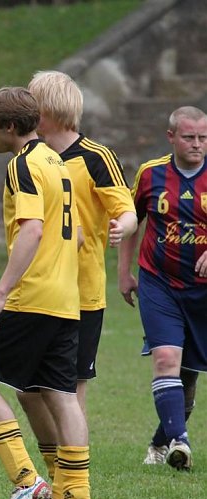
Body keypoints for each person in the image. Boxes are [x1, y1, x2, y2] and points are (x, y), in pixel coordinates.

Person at [0, 87, 94, 499]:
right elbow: (70, 235)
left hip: (31, 297)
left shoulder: (23, 165)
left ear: (11, 128)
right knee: (61, 394)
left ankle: (26, 482)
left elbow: (33, 230)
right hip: (65, 299)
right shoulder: (57, 161)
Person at [19, 71, 137, 499]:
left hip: (80, 296)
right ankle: (57, 481)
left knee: (68, 392)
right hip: (36, 291)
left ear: (45, 109)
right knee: (27, 390)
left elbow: (125, 211)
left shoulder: (94, 156)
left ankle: (72, 495)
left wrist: (120, 228)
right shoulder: (31, 157)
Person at [118, 106, 207, 471]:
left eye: (203, 138)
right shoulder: (151, 173)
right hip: (159, 283)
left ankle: (160, 441)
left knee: (187, 374)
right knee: (167, 360)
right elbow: (130, 221)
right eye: (189, 137)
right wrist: (124, 273)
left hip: (202, 291)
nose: (197, 145)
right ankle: (179, 442)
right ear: (171, 137)